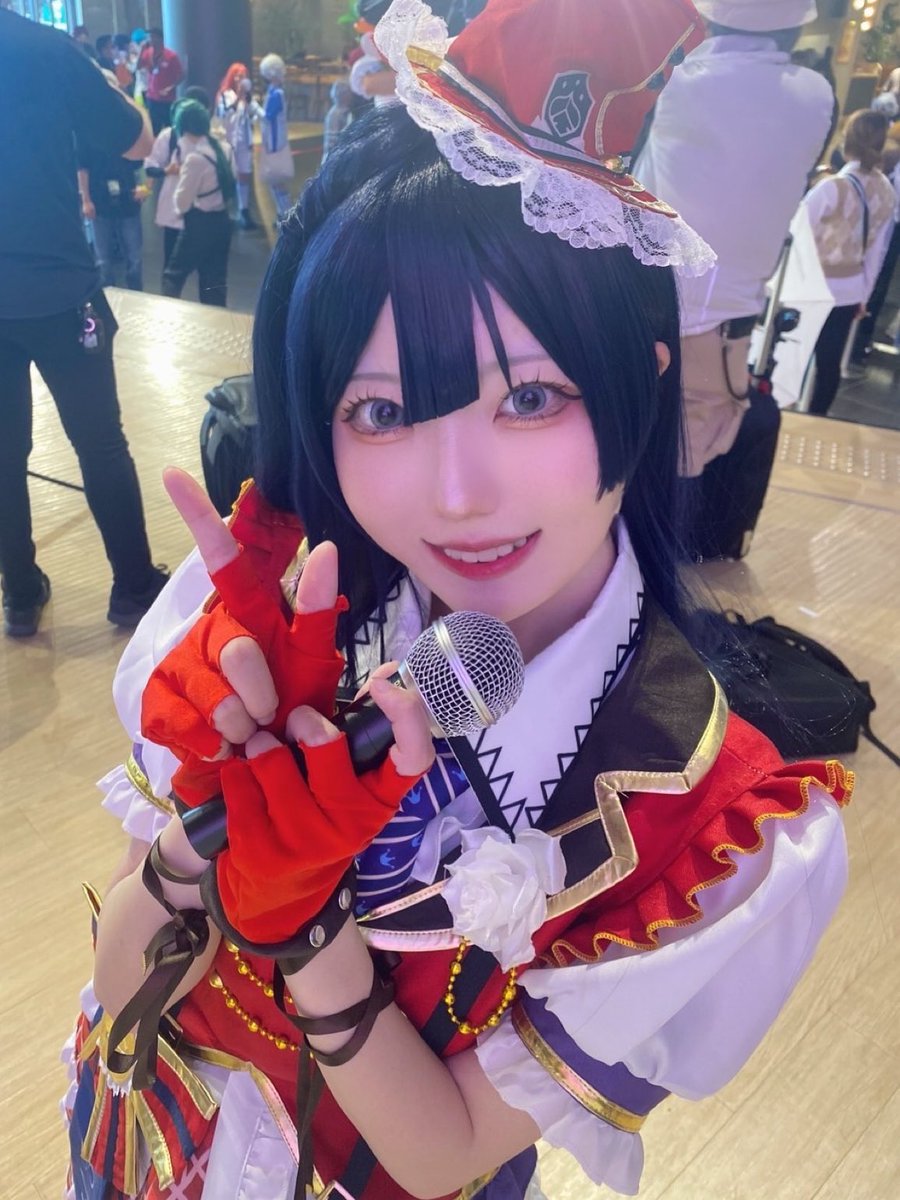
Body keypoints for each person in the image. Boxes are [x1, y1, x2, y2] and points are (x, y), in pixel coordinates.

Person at [64, 2, 851, 1198]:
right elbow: (121, 986)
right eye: (382, 412)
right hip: (153, 1141)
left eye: (530, 398)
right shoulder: (277, 611)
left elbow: (438, 1156)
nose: (456, 496)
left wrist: (299, 924)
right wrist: (203, 826)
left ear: (641, 384)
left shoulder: (713, 823)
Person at [0, 6, 168, 637]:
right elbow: (139, 141)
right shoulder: (45, 49)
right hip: (59, 289)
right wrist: (114, 86)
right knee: (100, 445)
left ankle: (19, 592)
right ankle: (133, 587)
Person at [633, 0, 834, 477]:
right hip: (728, 336)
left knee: (622, 454)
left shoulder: (677, 83)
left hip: (644, 306)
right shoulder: (815, 95)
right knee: (689, 467)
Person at [803, 109, 896, 416]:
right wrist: (863, 296)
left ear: (847, 141)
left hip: (810, 286)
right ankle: (818, 419)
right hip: (850, 288)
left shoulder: (831, 187)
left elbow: (798, 235)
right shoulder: (886, 190)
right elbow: (878, 251)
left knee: (793, 357)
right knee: (829, 363)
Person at [162, 99, 236, 308]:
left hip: (199, 224)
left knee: (173, 277)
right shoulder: (226, 149)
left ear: (184, 128)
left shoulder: (195, 159)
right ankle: (216, 324)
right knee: (214, 283)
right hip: (222, 222)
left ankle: (165, 318)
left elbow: (182, 203)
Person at [144, 87, 215, 277]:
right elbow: (150, 166)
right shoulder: (169, 136)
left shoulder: (212, 139)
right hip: (174, 210)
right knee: (171, 267)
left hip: (202, 212)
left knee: (205, 268)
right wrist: (167, 170)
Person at [77, 145, 147, 292]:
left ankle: (136, 293)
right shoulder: (87, 137)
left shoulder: (126, 134)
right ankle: (109, 296)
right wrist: (86, 200)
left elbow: (141, 163)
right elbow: (82, 168)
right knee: (102, 260)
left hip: (128, 201)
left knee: (134, 257)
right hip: (99, 203)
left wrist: (143, 187)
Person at [216, 62, 264, 229]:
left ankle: (244, 211)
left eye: (244, 76)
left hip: (244, 142)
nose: (241, 79)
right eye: (238, 75)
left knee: (244, 174)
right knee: (229, 175)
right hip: (228, 141)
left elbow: (257, 114)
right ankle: (226, 211)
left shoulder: (248, 98)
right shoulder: (225, 94)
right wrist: (239, 97)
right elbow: (225, 113)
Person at [259, 52, 293, 220]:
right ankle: (283, 213)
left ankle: (287, 214)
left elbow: (268, 116)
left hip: (275, 141)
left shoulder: (276, 94)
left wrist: (253, 108)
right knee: (275, 181)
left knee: (277, 180)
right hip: (273, 139)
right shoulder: (274, 91)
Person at [138, 25, 184, 135]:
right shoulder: (147, 53)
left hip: (167, 99)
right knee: (154, 128)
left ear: (160, 38)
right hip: (152, 97)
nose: (150, 40)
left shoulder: (171, 56)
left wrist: (170, 87)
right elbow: (138, 67)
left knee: (170, 128)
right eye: (149, 37)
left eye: (153, 37)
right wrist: (141, 50)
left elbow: (181, 75)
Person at [322, 79, 354, 160]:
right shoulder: (334, 115)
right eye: (348, 93)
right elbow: (332, 142)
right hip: (334, 158)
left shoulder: (346, 112)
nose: (350, 96)